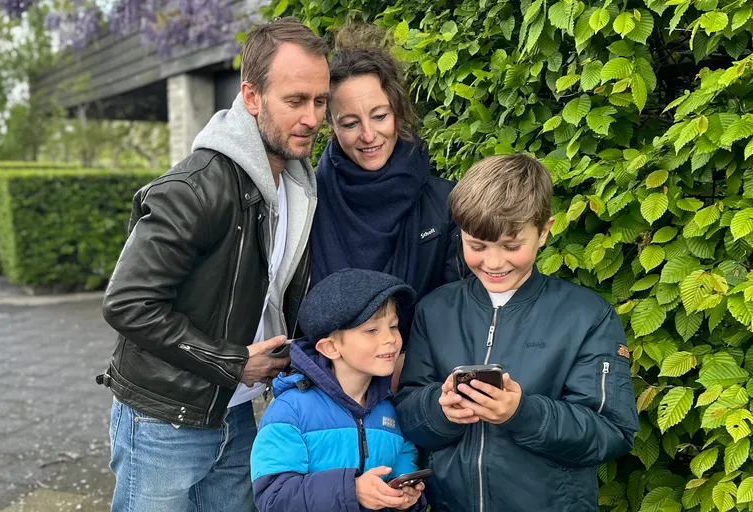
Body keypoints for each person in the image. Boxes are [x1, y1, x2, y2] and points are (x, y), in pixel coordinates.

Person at [96, 17, 330, 512]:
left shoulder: (298, 186)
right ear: (251, 97)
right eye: (295, 101)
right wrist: (233, 362)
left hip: (237, 412)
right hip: (163, 421)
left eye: (320, 101)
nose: (312, 118)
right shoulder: (195, 189)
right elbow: (128, 303)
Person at [394, 154, 640, 511]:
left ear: (544, 231)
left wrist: (522, 413)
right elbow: (406, 413)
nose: (494, 263)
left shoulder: (587, 316)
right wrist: (440, 409)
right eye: (477, 246)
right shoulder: (435, 310)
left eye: (512, 246)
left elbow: (612, 432)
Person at [309, 28, 465, 389]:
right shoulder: (308, 203)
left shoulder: (444, 204)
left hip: (419, 385)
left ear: (398, 111)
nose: (368, 135)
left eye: (380, 116)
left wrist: (410, 365)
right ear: (331, 125)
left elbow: (457, 307)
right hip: (328, 389)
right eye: (350, 123)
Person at [251, 268, 426, 512]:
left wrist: (405, 499)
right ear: (330, 348)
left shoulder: (389, 411)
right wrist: (351, 490)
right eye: (372, 330)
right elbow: (274, 497)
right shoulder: (290, 411)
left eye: (394, 326)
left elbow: (403, 466)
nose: (390, 338)